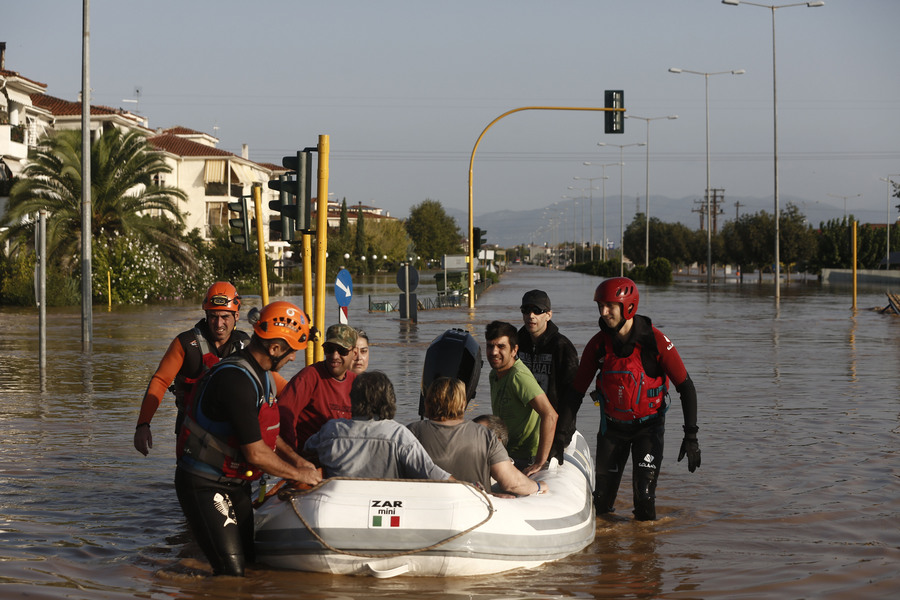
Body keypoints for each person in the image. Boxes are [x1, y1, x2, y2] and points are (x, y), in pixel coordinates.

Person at [174, 301, 322, 576]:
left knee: (254, 566)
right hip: (203, 484)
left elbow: (268, 435)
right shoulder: (236, 380)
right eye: (292, 352)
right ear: (275, 348)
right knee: (232, 576)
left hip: (234, 483)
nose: (293, 359)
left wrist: (302, 463)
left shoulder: (262, 375)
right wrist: (297, 474)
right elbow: (255, 453)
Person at [572, 277, 700, 521]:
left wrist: (691, 436)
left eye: (610, 305)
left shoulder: (656, 341)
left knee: (645, 500)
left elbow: (686, 387)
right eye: (600, 306)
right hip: (612, 430)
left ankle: (644, 553)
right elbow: (576, 392)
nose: (603, 312)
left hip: (648, 430)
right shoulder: (599, 344)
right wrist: (561, 434)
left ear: (628, 306)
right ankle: (606, 555)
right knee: (601, 504)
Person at [134, 282, 250, 456]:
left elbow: (272, 384)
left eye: (225, 317)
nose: (219, 324)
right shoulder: (185, 343)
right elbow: (160, 381)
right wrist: (143, 424)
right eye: (213, 316)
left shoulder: (246, 346)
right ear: (206, 314)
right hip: (191, 430)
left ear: (237, 316)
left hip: (232, 432)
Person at [304, 371, 451, 480]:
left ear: (353, 399)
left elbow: (306, 451)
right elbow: (432, 473)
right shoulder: (398, 434)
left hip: (339, 506)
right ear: (389, 399)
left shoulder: (332, 430)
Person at [409, 377, 542, 495]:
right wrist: (539, 486)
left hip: (421, 511)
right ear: (463, 404)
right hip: (474, 513)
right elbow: (512, 483)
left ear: (427, 402)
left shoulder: (409, 433)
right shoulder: (485, 436)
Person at [484, 320, 558, 477]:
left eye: (501, 346)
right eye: (490, 346)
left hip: (525, 457)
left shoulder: (518, 376)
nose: (494, 352)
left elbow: (550, 414)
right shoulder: (494, 374)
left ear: (514, 350)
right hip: (506, 452)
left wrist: (539, 462)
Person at [516, 289, 581, 462]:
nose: (531, 316)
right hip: (521, 431)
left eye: (537, 311)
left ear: (549, 315)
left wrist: (560, 435)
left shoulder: (563, 347)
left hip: (552, 430)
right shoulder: (514, 344)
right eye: (526, 310)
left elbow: (572, 396)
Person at [278, 324, 358, 452]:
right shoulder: (308, 377)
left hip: (344, 457)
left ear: (354, 353)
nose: (334, 356)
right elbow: (284, 416)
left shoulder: (357, 383)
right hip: (310, 456)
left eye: (342, 351)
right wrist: (294, 456)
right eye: (329, 349)